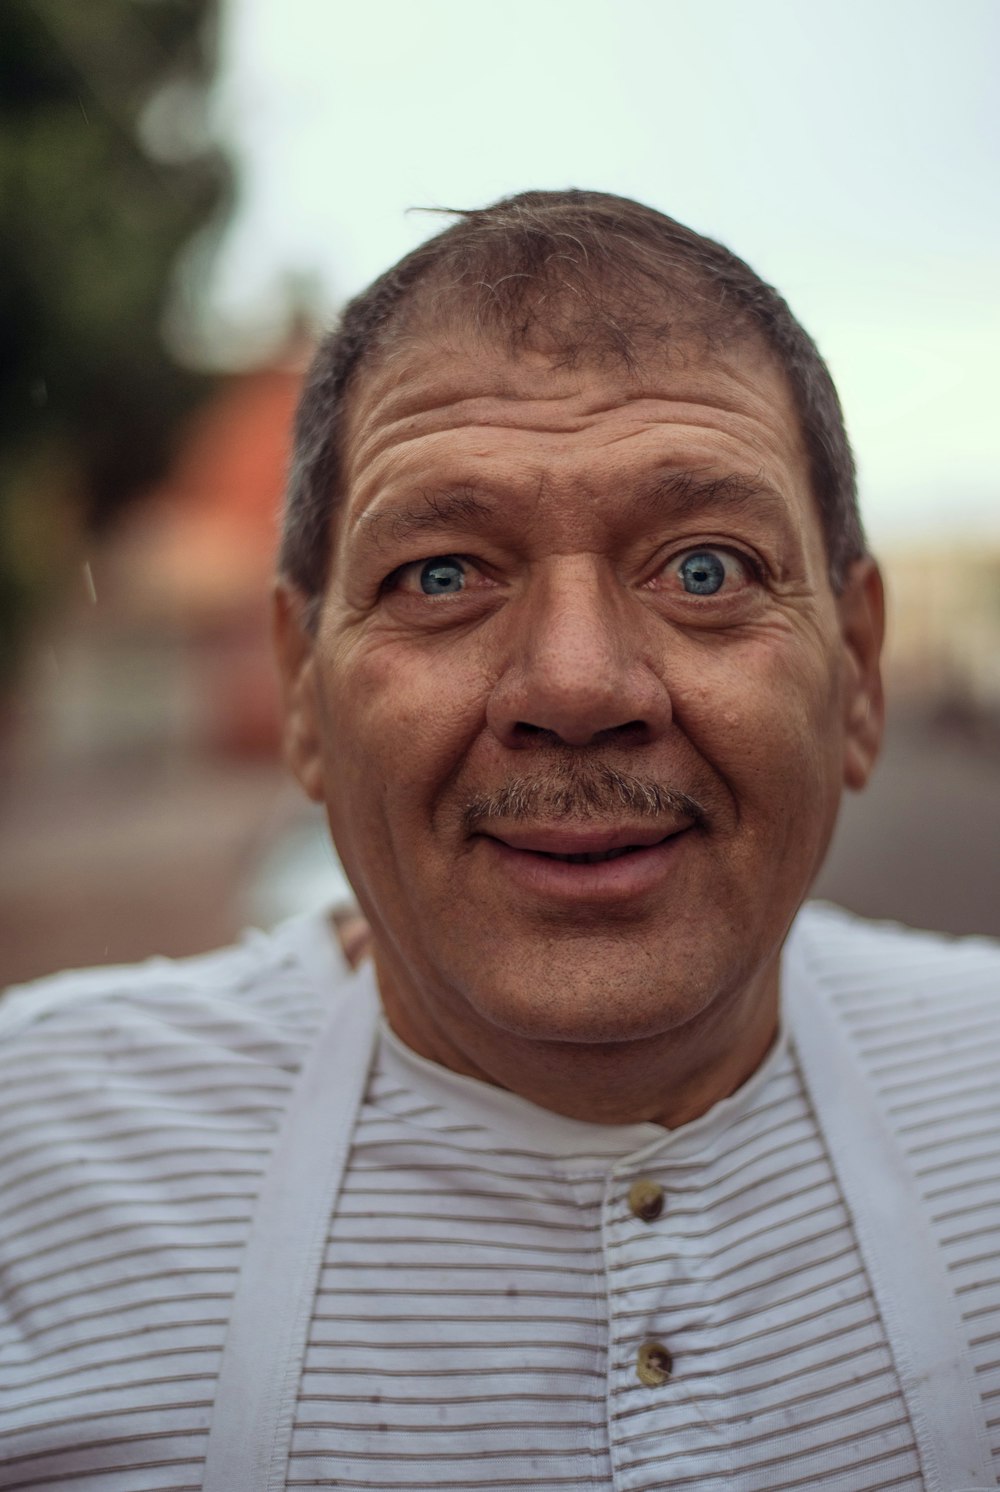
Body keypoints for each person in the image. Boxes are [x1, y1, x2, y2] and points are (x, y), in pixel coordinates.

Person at [1, 190, 997, 1492]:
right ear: (304, 692)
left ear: (858, 671)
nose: (577, 687)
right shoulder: (33, 1154)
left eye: (705, 569)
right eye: (442, 573)